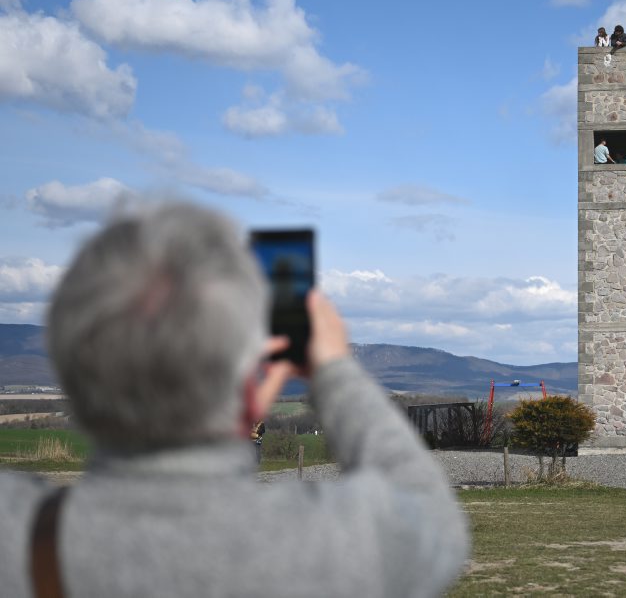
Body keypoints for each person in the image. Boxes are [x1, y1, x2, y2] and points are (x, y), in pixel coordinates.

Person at [0, 202, 468, 598]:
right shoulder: (328, 546)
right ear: (249, 390)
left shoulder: (15, 540)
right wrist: (332, 370)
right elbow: (424, 504)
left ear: (70, 373)